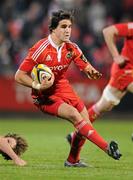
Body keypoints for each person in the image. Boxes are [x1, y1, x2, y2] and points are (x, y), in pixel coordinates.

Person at [15, 10, 121, 167]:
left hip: (63, 87)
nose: (68, 30)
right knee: (74, 115)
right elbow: (19, 75)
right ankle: (107, 148)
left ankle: (72, 161)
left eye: (70, 26)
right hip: (44, 95)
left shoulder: (72, 47)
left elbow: (86, 66)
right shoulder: (40, 49)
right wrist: (37, 85)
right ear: (53, 29)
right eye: (63, 26)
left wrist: (91, 72)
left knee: (85, 123)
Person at [88, 22, 133, 123]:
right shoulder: (131, 27)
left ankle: (76, 136)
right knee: (104, 105)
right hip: (124, 71)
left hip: (127, 73)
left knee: (104, 106)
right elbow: (108, 31)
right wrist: (116, 56)